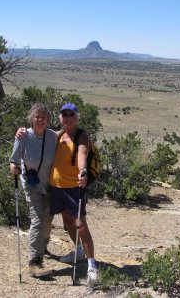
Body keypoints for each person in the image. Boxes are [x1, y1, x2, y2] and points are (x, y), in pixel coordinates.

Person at [50, 103, 99, 286]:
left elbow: (82, 155)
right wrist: (21, 132)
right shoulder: (58, 134)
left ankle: (92, 265)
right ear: (60, 117)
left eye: (71, 114)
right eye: (64, 114)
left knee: (80, 224)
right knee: (68, 221)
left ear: (77, 117)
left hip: (73, 187)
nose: (68, 118)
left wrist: (83, 172)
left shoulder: (82, 135)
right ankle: (78, 250)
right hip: (56, 187)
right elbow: (37, 134)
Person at [9, 103, 57, 277]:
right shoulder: (23, 136)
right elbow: (13, 160)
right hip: (32, 185)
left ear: (48, 120)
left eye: (43, 117)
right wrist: (13, 167)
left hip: (50, 185)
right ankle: (34, 263)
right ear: (31, 118)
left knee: (47, 220)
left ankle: (42, 248)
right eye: (37, 116)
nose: (40, 119)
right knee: (37, 220)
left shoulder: (53, 136)